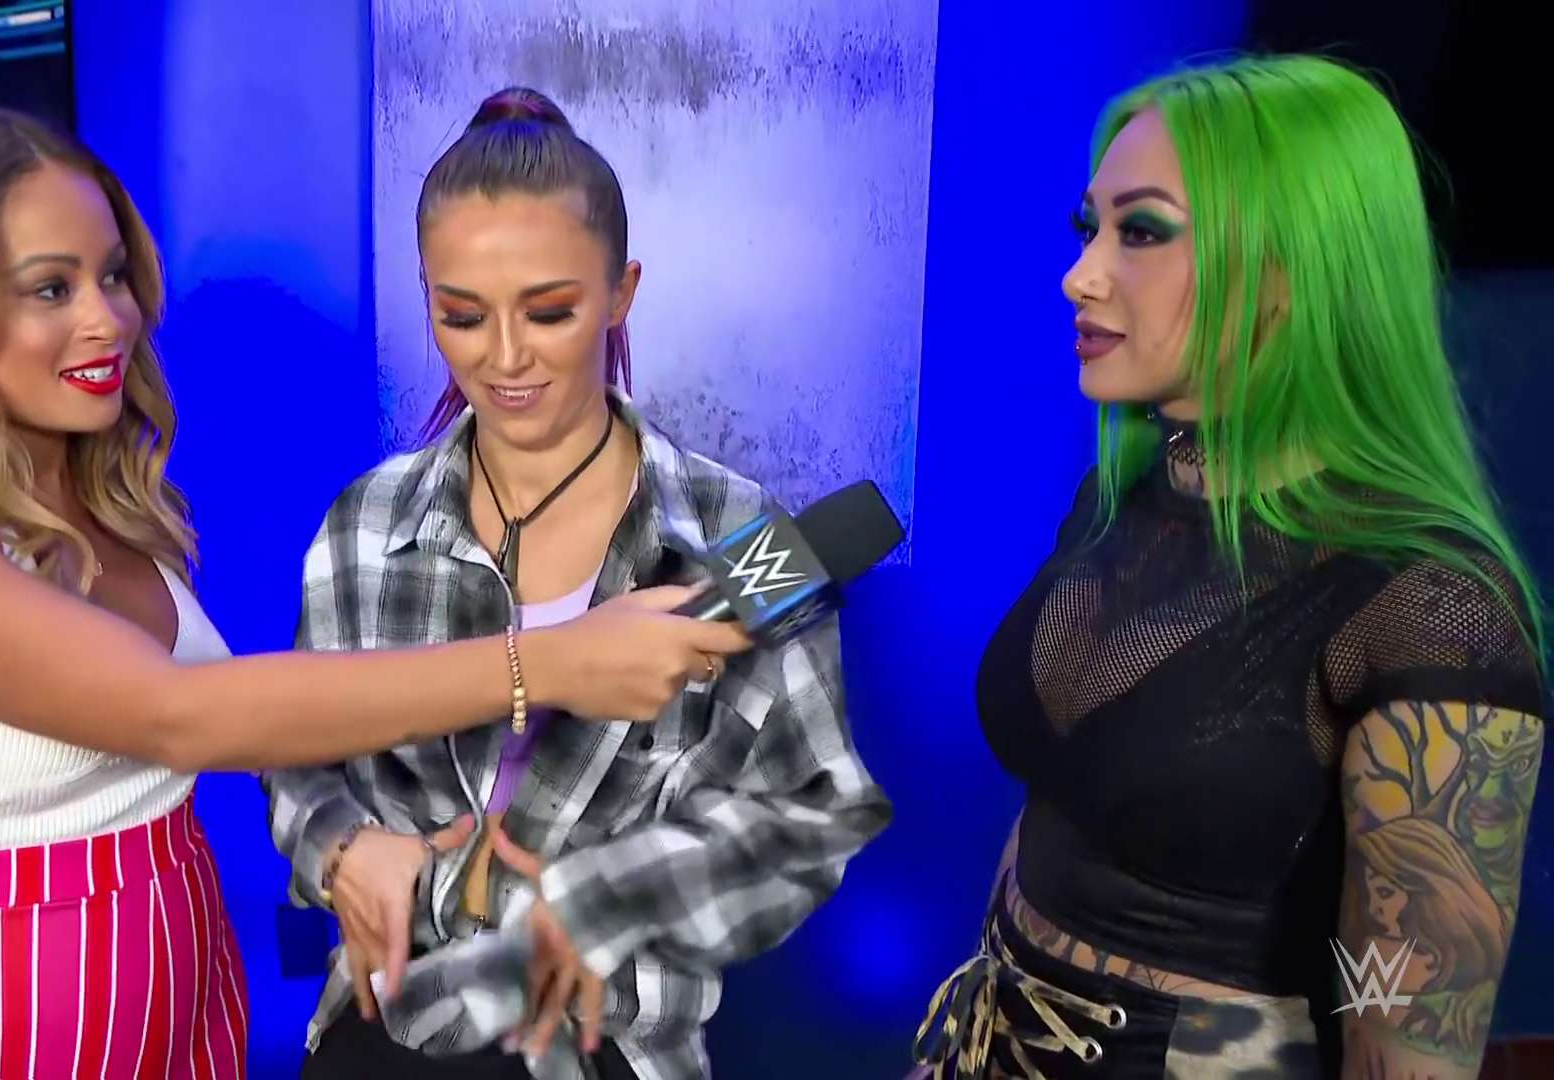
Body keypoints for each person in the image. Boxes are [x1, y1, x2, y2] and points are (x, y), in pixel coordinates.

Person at [0, 105, 750, 1080]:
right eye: (51, 289)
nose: (109, 319)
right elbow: (186, 717)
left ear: (621, 294)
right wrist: (547, 668)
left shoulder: (110, 506)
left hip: (185, 975)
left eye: (113, 274)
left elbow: (98, 774)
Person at [910, 55, 1545, 1080]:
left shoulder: (1428, 610)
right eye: (1090, 228)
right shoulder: (1124, 496)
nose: (1080, 275)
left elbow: (1406, 1030)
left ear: (1292, 273)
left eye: (1142, 233)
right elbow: (1061, 807)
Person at [266, 87, 893, 1080]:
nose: (505, 358)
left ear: (621, 291)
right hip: (388, 1029)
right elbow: (294, 748)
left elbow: (811, 813)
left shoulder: (733, 535)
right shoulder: (366, 524)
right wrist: (341, 850)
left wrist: (606, 899)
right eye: (461, 315)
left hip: (608, 1046)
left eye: (550, 311)